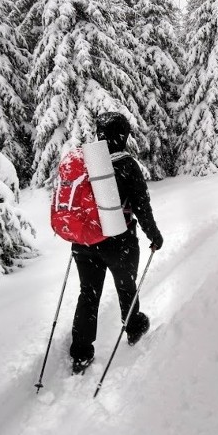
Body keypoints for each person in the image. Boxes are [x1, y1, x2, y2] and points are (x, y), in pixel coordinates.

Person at [69, 112, 163, 374]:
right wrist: (154, 236)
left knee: (88, 293)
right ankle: (133, 327)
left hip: (84, 242)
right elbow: (141, 207)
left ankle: (81, 352)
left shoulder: (85, 161)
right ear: (123, 135)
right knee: (125, 285)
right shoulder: (127, 165)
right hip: (117, 240)